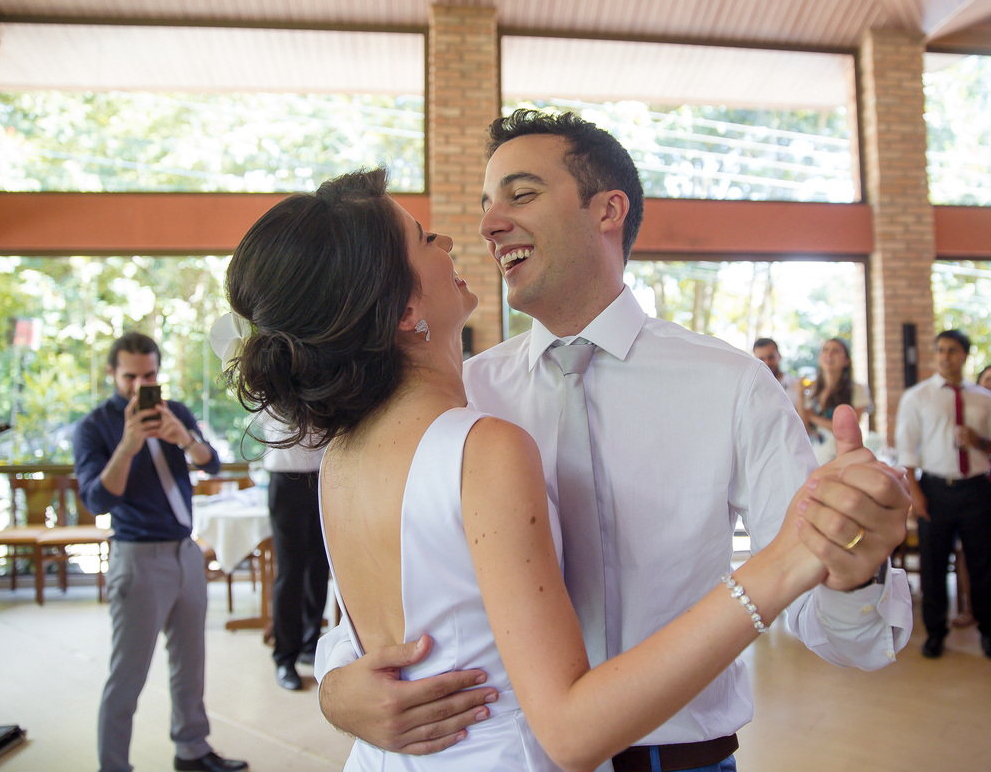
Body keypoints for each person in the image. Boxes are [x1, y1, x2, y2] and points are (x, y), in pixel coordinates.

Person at [311, 110, 912, 771]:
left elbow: (839, 632)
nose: (486, 225)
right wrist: (337, 689)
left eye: (521, 194)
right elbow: (378, 598)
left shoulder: (732, 387)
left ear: (607, 210)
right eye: (486, 205)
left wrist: (854, 574)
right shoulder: (456, 402)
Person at [73, 332, 248, 772]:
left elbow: (212, 464)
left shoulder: (177, 412)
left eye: (149, 375)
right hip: (137, 557)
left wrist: (183, 439)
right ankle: (113, 766)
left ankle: (192, 750)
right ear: (113, 373)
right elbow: (97, 500)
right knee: (127, 676)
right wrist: (130, 444)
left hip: (186, 552)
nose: (139, 385)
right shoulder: (93, 428)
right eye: (130, 376)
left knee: (191, 663)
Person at [895, 329, 991, 662]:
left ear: (965, 355)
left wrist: (978, 441)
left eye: (953, 350)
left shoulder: (985, 398)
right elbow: (906, 452)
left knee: (982, 565)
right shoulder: (917, 397)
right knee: (933, 565)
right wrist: (916, 494)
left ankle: (989, 633)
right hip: (936, 490)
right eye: (940, 350)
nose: (946, 356)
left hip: (976, 489)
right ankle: (935, 633)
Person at [260, 412, 328, 691]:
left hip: (325, 476)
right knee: (290, 573)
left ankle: (310, 645)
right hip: (286, 478)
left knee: (320, 569)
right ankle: (284, 657)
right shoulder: (272, 376)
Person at [951, 364, 991, 629]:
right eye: (988, 379)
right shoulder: (969, 412)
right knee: (967, 552)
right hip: (975, 489)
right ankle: (971, 608)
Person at [798, 338, 873, 465]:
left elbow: (849, 428)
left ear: (846, 360)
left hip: (842, 461)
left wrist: (812, 417)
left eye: (836, 351)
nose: (829, 354)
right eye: (826, 350)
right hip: (813, 460)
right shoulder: (812, 391)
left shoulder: (857, 390)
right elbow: (803, 428)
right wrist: (800, 395)